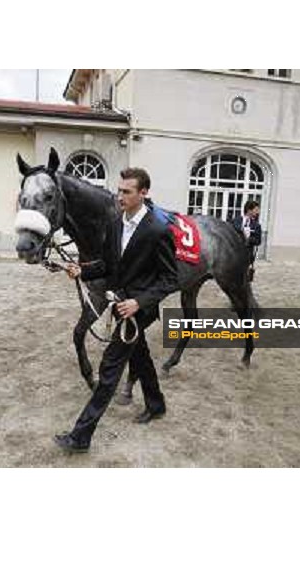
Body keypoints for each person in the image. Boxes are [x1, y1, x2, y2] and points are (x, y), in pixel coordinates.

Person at [54, 168, 178, 452]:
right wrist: (81, 270)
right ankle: (156, 405)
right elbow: (108, 265)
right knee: (141, 357)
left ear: (143, 193)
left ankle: (80, 437)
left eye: (127, 192)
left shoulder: (159, 229)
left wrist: (139, 302)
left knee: (109, 369)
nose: (119, 196)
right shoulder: (116, 223)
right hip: (119, 304)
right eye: (119, 190)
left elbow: (170, 279)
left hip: (137, 311)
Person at [232, 200, 262, 281]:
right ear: (249, 210)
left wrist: (248, 238)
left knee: (244, 281)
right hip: (233, 255)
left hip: (247, 257)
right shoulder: (235, 221)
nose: (258, 212)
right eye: (256, 210)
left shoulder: (257, 225)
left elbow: (258, 241)